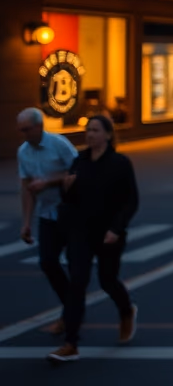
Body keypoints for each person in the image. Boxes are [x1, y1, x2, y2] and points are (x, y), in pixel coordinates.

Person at [46, 113, 139, 363]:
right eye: (88, 130)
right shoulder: (80, 161)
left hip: (109, 233)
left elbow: (131, 201)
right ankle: (71, 343)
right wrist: (66, 189)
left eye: (96, 130)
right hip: (81, 232)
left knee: (108, 280)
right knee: (77, 283)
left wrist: (116, 229)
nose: (90, 135)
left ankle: (126, 310)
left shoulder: (120, 163)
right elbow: (70, 199)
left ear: (108, 134)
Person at [16, 107, 79, 336]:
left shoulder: (59, 144)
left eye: (27, 129)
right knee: (48, 262)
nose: (24, 134)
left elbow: (78, 172)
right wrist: (26, 222)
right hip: (47, 214)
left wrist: (48, 182)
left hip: (71, 212)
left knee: (76, 265)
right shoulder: (23, 152)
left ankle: (70, 315)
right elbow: (27, 188)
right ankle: (71, 308)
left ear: (39, 126)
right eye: (21, 130)